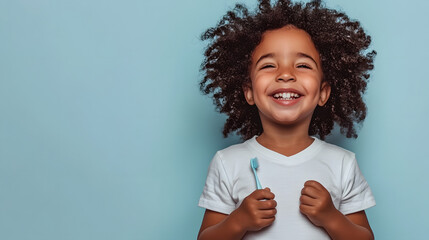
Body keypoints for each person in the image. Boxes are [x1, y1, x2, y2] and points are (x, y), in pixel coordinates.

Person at [197, 0, 376, 239]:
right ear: (249, 91)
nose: (285, 75)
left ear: (323, 92)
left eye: (302, 65)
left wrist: (331, 217)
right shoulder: (227, 163)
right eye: (269, 65)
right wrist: (238, 221)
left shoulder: (342, 163)